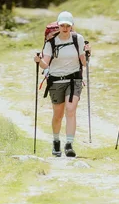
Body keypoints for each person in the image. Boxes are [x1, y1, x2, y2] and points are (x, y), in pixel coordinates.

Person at [34, 11, 88, 157]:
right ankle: (56, 141)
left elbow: (83, 62)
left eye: (68, 25)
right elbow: (45, 64)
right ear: (58, 26)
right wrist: (39, 61)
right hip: (56, 80)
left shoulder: (78, 39)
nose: (65, 28)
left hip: (74, 79)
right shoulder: (51, 42)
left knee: (70, 110)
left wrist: (88, 54)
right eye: (62, 25)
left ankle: (69, 144)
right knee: (58, 114)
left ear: (72, 26)